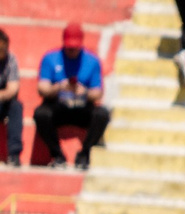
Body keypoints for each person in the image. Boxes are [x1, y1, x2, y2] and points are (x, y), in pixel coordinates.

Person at [34, 23, 110, 167]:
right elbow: (42, 88)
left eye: (75, 47)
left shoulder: (92, 61)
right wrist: (59, 87)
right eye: (69, 47)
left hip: (82, 107)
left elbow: (98, 93)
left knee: (102, 114)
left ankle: (84, 154)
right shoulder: (50, 58)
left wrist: (84, 92)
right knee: (41, 114)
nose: (72, 50)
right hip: (58, 107)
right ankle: (57, 156)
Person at [0, 32, 22, 168]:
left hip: (3, 102)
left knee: (16, 106)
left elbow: (13, 89)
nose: (2, 52)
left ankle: (14, 155)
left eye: (4, 49)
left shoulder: (10, 59)